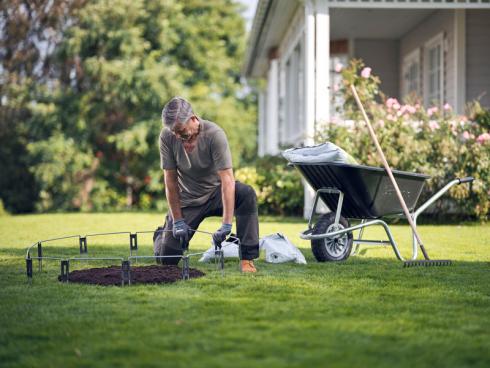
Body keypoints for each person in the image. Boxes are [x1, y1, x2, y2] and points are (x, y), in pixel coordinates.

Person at [153, 96, 259, 273]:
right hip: (188, 200)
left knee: (246, 194)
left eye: (182, 131)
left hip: (215, 194)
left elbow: (227, 180)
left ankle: (247, 259)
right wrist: (178, 221)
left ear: (193, 119)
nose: (178, 137)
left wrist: (226, 225)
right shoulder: (167, 137)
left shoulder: (214, 135)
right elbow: (170, 181)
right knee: (167, 260)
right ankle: (161, 235)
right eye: (174, 133)